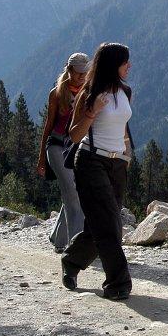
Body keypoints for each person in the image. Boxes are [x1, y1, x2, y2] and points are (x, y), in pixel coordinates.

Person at [61, 42, 134, 300]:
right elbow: (74, 134)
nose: (129, 66)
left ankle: (71, 261)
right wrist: (92, 113)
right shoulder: (89, 93)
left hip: (117, 164)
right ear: (114, 64)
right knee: (108, 225)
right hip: (91, 161)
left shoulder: (125, 91)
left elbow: (123, 128)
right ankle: (118, 283)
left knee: (103, 224)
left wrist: (126, 155)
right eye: (126, 62)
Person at [36, 52, 89, 253]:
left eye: (85, 72)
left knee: (71, 194)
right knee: (73, 194)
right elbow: (48, 126)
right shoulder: (56, 93)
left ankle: (58, 238)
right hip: (57, 147)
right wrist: (42, 157)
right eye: (78, 73)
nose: (82, 76)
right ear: (69, 71)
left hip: (77, 148)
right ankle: (75, 247)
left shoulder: (88, 91)